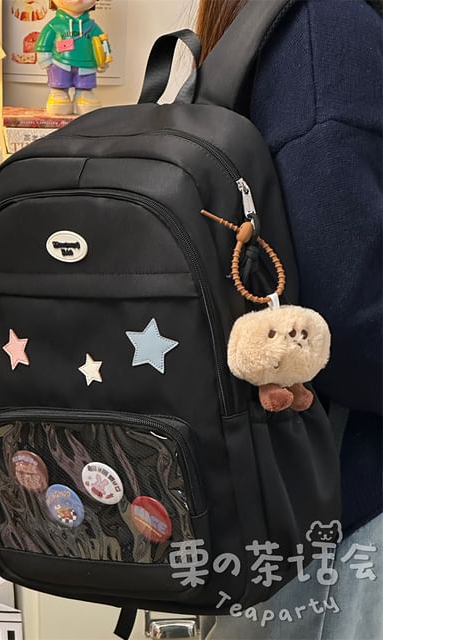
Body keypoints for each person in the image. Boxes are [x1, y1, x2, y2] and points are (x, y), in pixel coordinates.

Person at [196, 1, 383, 638]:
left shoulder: (279, 30)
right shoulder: (329, 33)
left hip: (295, 512)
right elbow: (354, 324)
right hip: (356, 519)